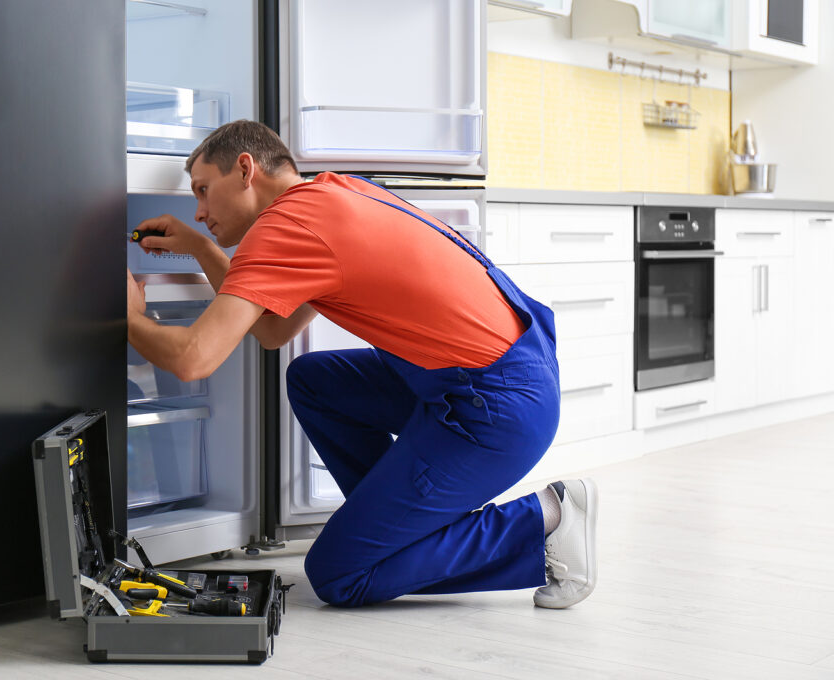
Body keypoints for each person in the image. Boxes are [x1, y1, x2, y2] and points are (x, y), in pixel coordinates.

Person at [126, 119, 598, 609]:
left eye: (203, 191)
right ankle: (392, 528)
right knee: (313, 381)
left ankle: (547, 519)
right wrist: (204, 250)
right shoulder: (342, 191)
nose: (199, 212)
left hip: (492, 411)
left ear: (245, 169)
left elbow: (192, 358)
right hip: (515, 376)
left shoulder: (284, 227)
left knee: (339, 575)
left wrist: (129, 316)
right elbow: (273, 330)